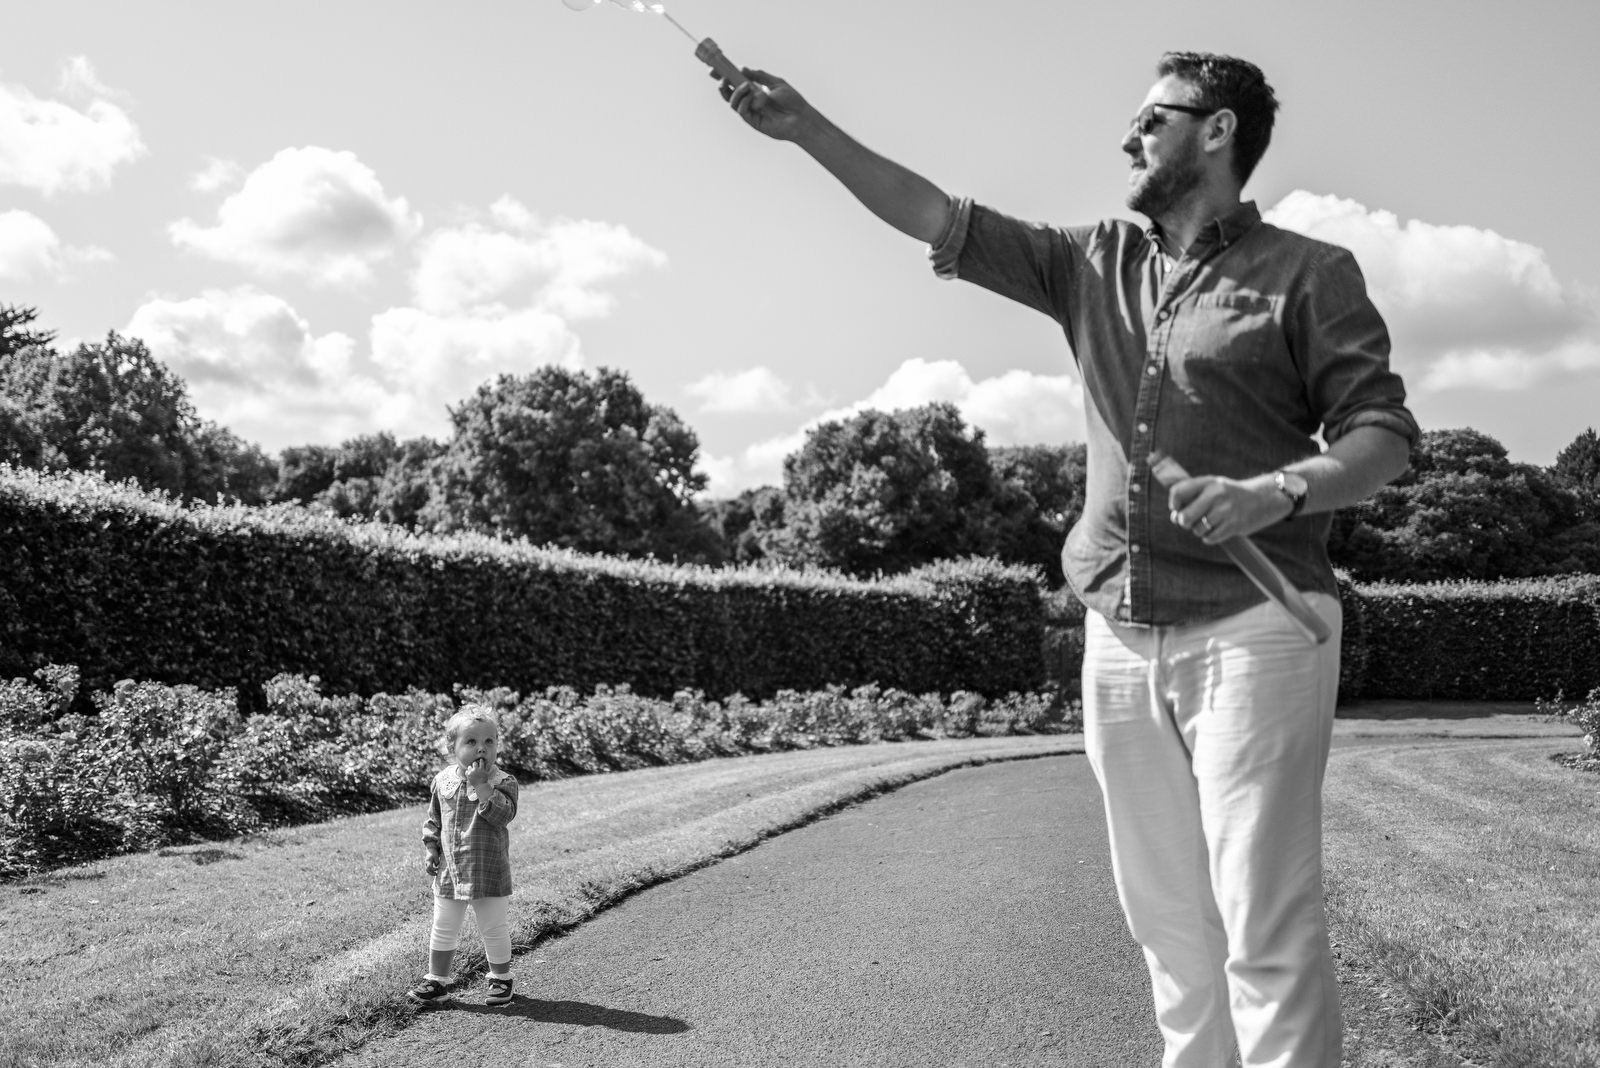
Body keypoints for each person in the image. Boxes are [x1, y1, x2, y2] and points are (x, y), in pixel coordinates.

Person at [714, 51, 1418, 1068]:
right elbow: (933, 215)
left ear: (1215, 131)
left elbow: (1381, 433)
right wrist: (805, 127)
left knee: (1264, 921)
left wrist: (1277, 490)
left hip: (1258, 630)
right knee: (1168, 925)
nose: (1127, 137)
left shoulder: (1309, 274)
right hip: (1120, 630)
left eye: (1152, 119)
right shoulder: (1091, 262)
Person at [408, 705, 521, 1007]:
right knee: (443, 926)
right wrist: (431, 848)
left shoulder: (502, 782)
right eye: (471, 742)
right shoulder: (443, 781)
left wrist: (482, 786)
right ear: (452, 747)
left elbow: (502, 815)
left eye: (489, 742)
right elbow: (434, 819)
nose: (481, 749)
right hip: (451, 870)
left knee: (493, 927)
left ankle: (501, 979)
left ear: (497, 745)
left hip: (489, 869)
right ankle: (437, 981)